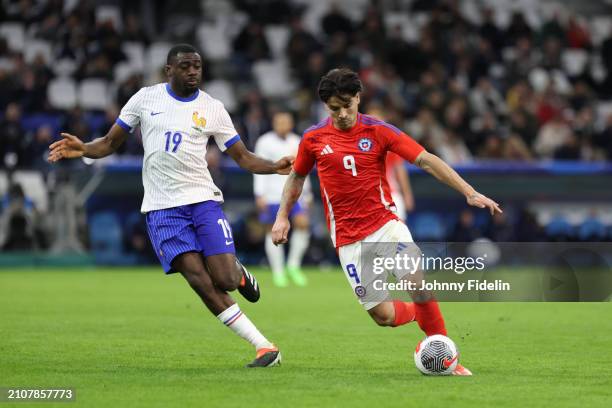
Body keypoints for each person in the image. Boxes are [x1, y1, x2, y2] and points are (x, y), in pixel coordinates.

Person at [48, 44, 292, 368]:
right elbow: (108, 143)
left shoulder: (213, 107)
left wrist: (274, 166)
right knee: (198, 280)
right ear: (169, 70)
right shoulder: (144, 99)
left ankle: (240, 274)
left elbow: (242, 157)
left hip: (203, 201)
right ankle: (264, 347)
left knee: (226, 279)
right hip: (162, 209)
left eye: (197, 66)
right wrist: (84, 149)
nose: (193, 72)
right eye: (186, 66)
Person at [272, 68, 502, 376]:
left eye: (347, 106)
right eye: (334, 108)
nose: (341, 114)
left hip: (386, 226)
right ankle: (422, 316)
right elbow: (296, 177)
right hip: (347, 240)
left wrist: (469, 192)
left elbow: (426, 159)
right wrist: (282, 216)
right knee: (382, 316)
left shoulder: (379, 130)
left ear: (358, 98)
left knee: (415, 282)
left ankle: (446, 353)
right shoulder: (313, 138)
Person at [254, 111, 311, 287]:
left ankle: (293, 266)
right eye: (279, 122)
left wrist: (307, 193)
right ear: (274, 123)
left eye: (286, 122)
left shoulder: (297, 141)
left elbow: (303, 169)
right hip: (271, 194)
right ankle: (278, 272)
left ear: (291, 123)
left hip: (294, 193)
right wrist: (259, 193)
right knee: (272, 232)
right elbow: (258, 167)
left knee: (302, 224)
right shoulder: (264, 142)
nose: (282, 125)